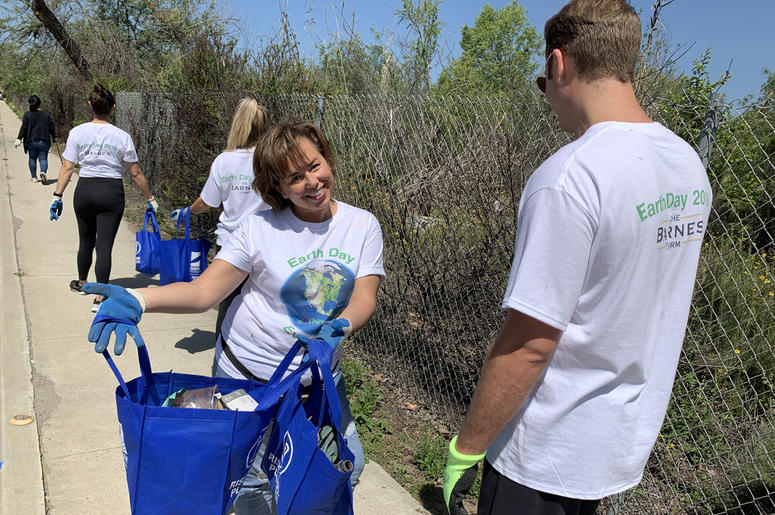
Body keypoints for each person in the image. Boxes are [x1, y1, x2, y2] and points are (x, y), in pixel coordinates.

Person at [442, 1, 712, 514]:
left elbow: (530, 344)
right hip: (616, 446)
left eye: (545, 81)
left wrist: (467, 447)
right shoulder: (686, 163)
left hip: (542, 452)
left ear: (559, 65)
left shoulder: (569, 177)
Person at [82, 120, 385, 514]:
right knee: (252, 481)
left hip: (318, 378)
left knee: (344, 466)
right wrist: (140, 299)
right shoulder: (258, 228)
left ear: (326, 158)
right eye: (295, 177)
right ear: (276, 187)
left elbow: (365, 296)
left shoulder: (361, 225)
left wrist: (343, 324)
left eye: (315, 165)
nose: (312, 182)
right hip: (247, 377)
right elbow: (204, 292)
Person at [169, 97, 271, 345]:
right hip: (267, 242)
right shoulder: (271, 160)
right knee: (264, 303)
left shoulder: (225, 161)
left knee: (228, 302)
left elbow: (208, 202)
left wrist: (188, 212)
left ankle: (223, 352)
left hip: (232, 244)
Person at [50, 84, 158, 313]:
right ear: (113, 108)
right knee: (104, 245)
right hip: (111, 192)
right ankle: (99, 296)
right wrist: (150, 197)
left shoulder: (77, 132)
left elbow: (68, 167)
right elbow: (135, 172)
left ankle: (81, 283)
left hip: (85, 190)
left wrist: (57, 196)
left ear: (90, 105)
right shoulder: (122, 136)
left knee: (86, 239)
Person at [15, 94, 56, 183]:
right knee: (43, 158)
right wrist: (54, 137)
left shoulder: (27, 115)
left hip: (31, 141)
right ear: (39, 104)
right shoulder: (46, 114)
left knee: (32, 158)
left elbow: (24, 127)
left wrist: (19, 138)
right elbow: (51, 127)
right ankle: (43, 172)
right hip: (44, 140)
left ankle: (34, 177)